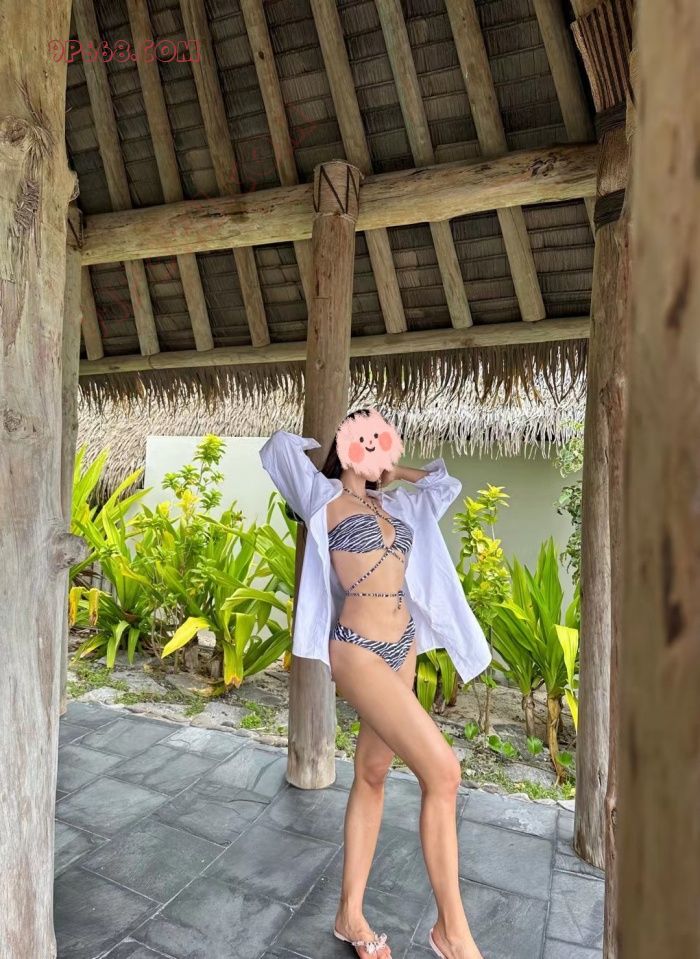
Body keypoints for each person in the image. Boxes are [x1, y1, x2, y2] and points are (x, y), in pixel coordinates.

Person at [259, 408, 491, 959]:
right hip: (358, 649)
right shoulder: (322, 498)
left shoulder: (395, 504)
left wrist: (394, 470)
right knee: (444, 772)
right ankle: (452, 933)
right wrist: (325, 448)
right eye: (361, 436)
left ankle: (350, 915)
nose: (371, 443)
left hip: (402, 646)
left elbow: (444, 485)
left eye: (379, 436)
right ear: (345, 446)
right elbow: (276, 449)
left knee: (372, 773)